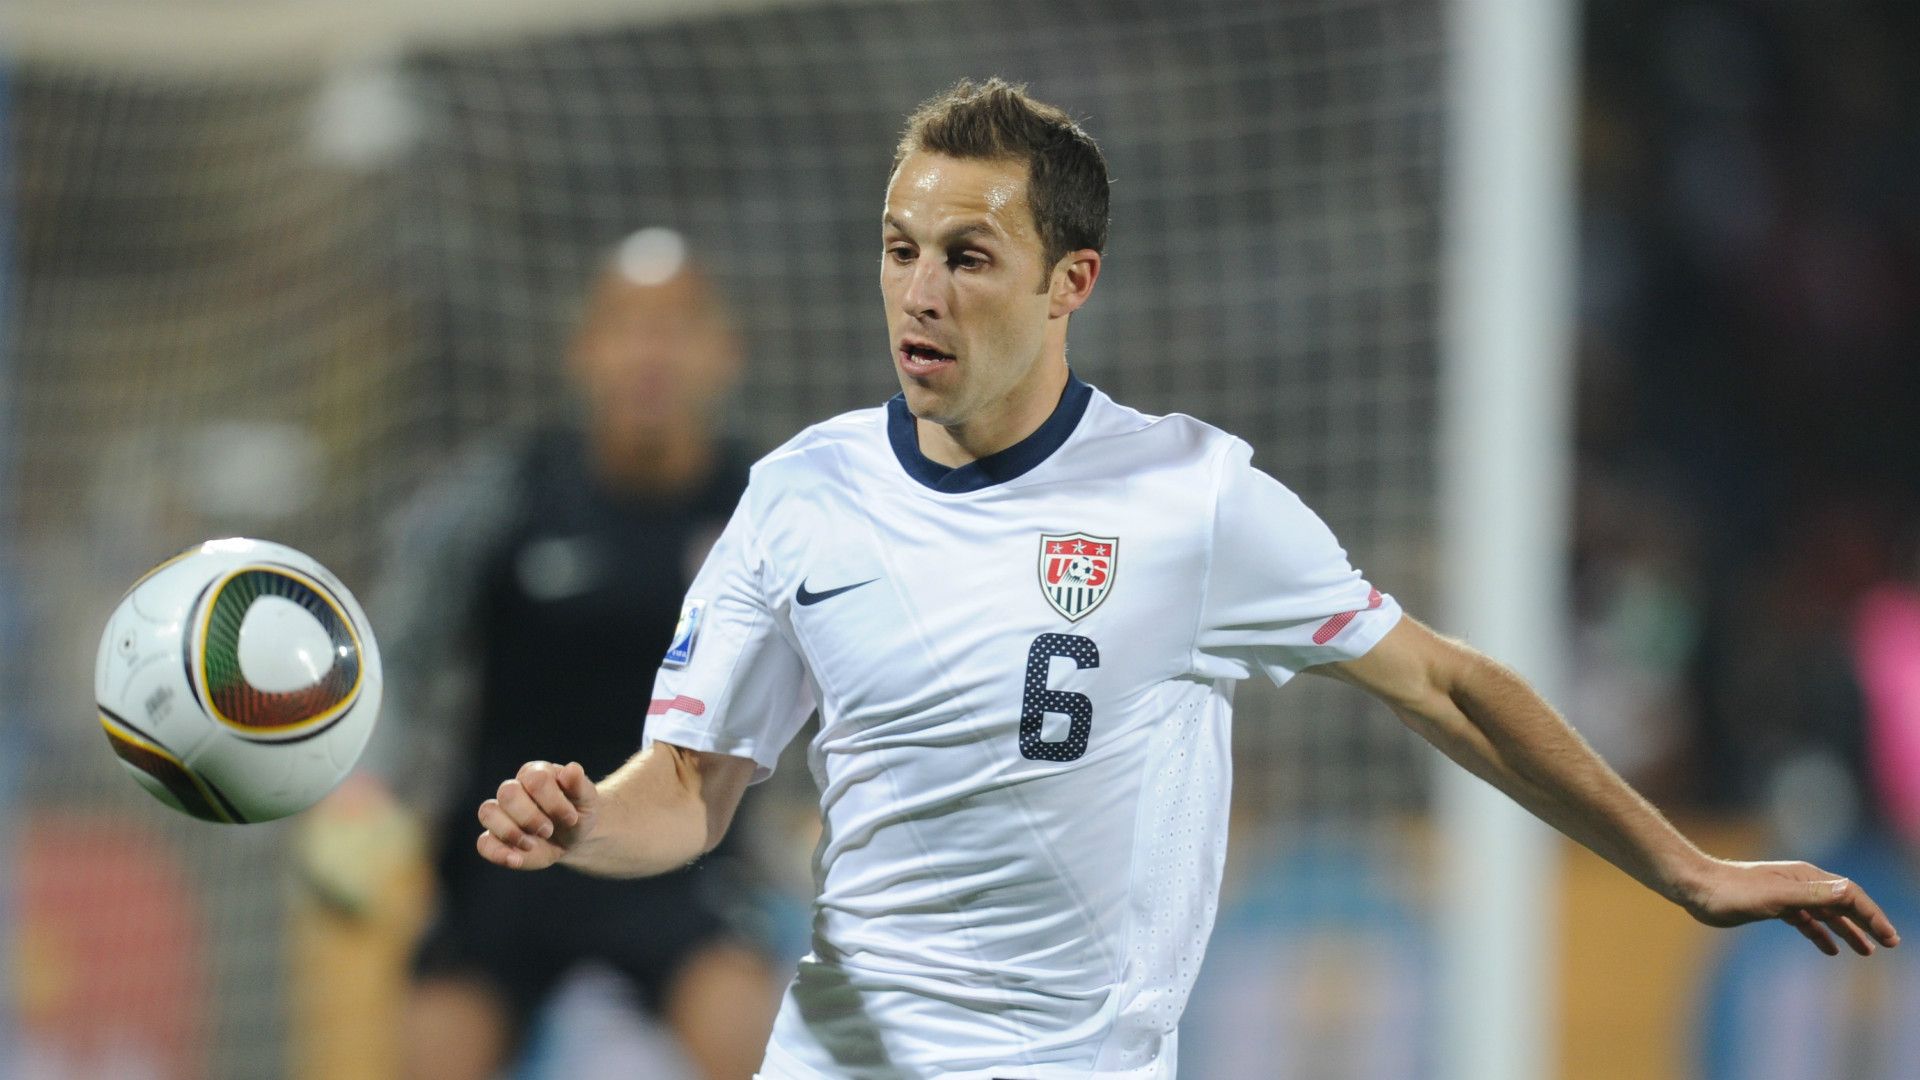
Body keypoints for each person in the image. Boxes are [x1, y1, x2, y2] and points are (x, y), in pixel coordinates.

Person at [471, 81, 1900, 1079]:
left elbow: (1447, 687)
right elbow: (694, 789)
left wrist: (1685, 866)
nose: (919, 290)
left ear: (1068, 282)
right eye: (901, 251)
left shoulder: (1192, 501)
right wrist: (582, 816)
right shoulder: (797, 495)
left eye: (970, 256)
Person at [365, 228, 781, 1080]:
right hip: (506, 851)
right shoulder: (505, 494)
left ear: (723, 353)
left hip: (681, 859)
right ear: (584, 351)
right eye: (627, 325)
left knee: (764, 1047)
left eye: (676, 326)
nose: (650, 352)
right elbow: (396, 653)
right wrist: (365, 789)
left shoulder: (768, 514)